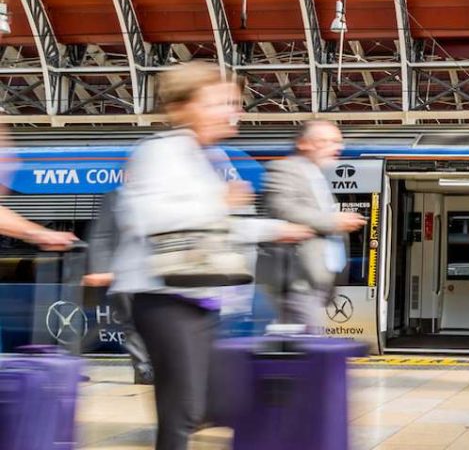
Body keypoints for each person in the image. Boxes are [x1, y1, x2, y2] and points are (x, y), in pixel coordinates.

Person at [110, 62, 312, 450]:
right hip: (162, 297)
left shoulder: (205, 157)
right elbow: (146, 218)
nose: (233, 112)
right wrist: (219, 201)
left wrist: (277, 229)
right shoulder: (160, 152)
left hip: (198, 295)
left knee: (213, 403)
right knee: (184, 409)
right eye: (220, 103)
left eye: (234, 103)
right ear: (186, 107)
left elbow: (217, 228)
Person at [262, 120, 366, 331]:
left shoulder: (317, 176)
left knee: (303, 348)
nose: (337, 147)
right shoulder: (285, 169)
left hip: (313, 285)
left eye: (338, 141)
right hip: (296, 280)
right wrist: (333, 221)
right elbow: (283, 207)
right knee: (307, 350)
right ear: (304, 143)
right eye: (326, 141)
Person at [82, 191, 153, 384]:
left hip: (155, 275)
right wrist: (101, 271)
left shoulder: (161, 195)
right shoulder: (114, 198)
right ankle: (144, 370)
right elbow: (100, 236)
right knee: (131, 325)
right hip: (123, 276)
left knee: (157, 323)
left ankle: (157, 369)